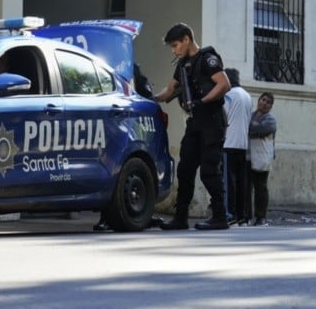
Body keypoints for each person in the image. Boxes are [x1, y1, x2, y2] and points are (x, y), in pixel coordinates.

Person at [154, 23, 231, 230]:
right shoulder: (183, 65)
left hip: (212, 121)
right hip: (195, 122)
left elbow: (224, 84)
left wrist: (203, 101)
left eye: (176, 45)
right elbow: (170, 90)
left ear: (187, 39)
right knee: (185, 169)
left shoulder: (207, 59)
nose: (174, 50)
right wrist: (151, 98)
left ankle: (220, 217)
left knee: (209, 170)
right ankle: (180, 218)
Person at [93, 62, 160, 231]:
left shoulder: (123, 66)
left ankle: (115, 216)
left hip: (125, 121)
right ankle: (109, 217)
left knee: (122, 167)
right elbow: (148, 93)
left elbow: (145, 93)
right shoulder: (120, 65)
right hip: (117, 121)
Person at [222, 68, 252, 226]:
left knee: (229, 183)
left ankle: (230, 213)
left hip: (228, 143)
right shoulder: (247, 96)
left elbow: (222, 115)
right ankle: (242, 216)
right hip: (243, 144)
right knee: (242, 183)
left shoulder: (228, 95)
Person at [248, 92, 277, 226]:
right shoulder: (251, 115)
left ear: (270, 106)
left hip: (262, 157)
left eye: (268, 102)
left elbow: (263, 129)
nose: (264, 103)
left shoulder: (270, 119)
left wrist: (253, 127)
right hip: (248, 155)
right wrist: (253, 127)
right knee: (247, 187)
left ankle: (261, 216)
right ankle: (247, 215)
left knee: (261, 187)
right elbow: (249, 128)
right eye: (263, 100)